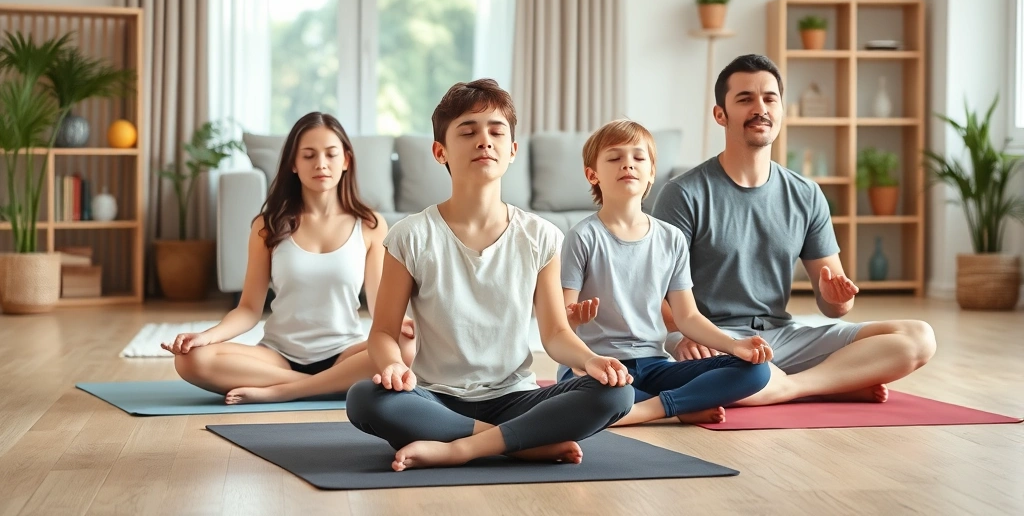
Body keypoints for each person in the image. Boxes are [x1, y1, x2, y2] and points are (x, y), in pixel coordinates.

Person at [346, 78, 635, 472]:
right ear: (439, 150)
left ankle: (460, 447)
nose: (484, 140)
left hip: (517, 399)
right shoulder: (409, 235)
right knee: (364, 398)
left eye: (496, 131)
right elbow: (382, 333)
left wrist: (591, 359)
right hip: (437, 399)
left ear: (512, 150)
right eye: (468, 131)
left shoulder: (541, 236)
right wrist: (393, 366)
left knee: (615, 395)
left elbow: (554, 334)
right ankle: (517, 443)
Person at [652, 54, 936, 406]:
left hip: (782, 336)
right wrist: (683, 333)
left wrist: (836, 297)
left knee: (918, 336)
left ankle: (792, 386)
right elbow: (652, 293)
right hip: (713, 340)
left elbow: (836, 307)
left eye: (770, 98)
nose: (761, 108)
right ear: (720, 115)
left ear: (782, 110)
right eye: (745, 99)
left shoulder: (806, 193)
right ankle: (832, 382)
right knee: (710, 370)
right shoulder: (683, 193)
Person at [162, 112, 415, 404]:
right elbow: (248, 309)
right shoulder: (267, 225)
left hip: (344, 354)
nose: (321, 164)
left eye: (331, 154)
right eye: (308, 155)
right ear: (293, 164)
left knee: (406, 346)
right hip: (277, 358)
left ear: (346, 160)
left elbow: (378, 302)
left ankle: (287, 391)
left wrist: (403, 321)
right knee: (190, 359)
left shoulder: (370, 224)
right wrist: (209, 335)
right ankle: (325, 386)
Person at [558, 118, 772, 426]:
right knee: (593, 392)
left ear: (651, 173)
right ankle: (673, 406)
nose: (627, 164)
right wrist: (574, 319)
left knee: (756, 370)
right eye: (615, 157)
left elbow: (687, 318)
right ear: (592, 174)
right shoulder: (582, 237)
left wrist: (734, 344)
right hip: (595, 366)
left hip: (654, 366)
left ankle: (651, 408)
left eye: (638, 157)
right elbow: (561, 321)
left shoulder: (671, 238)